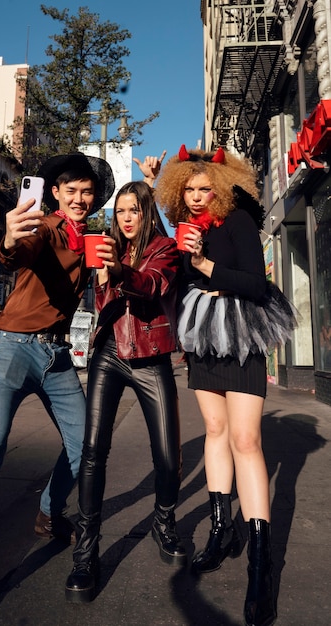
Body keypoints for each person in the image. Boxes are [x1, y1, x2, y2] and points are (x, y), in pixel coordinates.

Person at [0, 152, 115, 626]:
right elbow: (20, 251)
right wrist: (11, 238)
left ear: (94, 199)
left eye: (87, 192)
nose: (78, 198)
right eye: (70, 189)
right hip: (14, 348)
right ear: (55, 192)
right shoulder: (46, 227)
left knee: (87, 444)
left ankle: (49, 513)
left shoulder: (91, 240)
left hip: (57, 357)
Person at [155, 145, 297, 626]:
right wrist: (184, 255)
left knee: (245, 439)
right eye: (188, 189)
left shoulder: (237, 222)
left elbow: (256, 284)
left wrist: (206, 267)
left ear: (221, 186)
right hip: (202, 338)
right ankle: (221, 531)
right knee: (215, 432)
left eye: (204, 188)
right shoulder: (186, 231)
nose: (196, 197)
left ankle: (261, 566)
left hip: (241, 335)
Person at [65, 177, 186, 604]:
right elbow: (99, 301)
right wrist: (100, 274)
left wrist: (118, 271)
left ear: (146, 212)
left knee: (169, 457)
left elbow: (153, 285)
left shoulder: (164, 249)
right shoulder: (105, 247)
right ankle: (85, 552)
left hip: (152, 357)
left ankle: (164, 522)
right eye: (120, 211)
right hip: (109, 355)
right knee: (93, 450)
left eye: (133, 210)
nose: (126, 218)